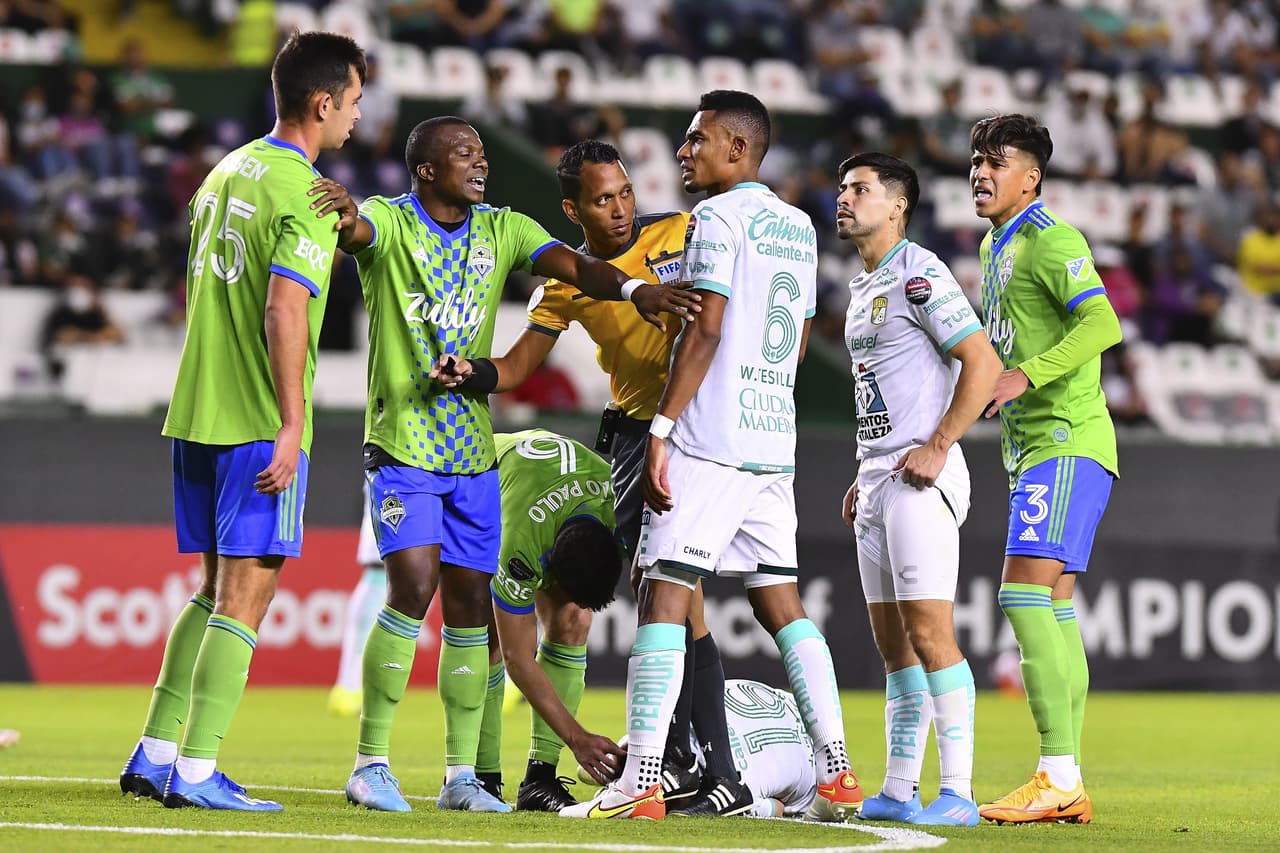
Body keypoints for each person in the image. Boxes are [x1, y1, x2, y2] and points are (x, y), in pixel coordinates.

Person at [308, 116, 699, 814]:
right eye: (465, 154)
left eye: (484, 153)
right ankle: (370, 762)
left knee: (467, 607)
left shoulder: (505, 228)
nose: (480, 163)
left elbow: (578, 268)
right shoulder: (392, 223)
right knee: (413, 583)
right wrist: (345, 216)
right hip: (402, 443)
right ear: (426, 169)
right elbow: (360, 233)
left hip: (473, 453)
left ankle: (465, 777)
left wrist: (636, 291)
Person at [561, 90, 862, 822]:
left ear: (737, 147)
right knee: (780, 602)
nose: (683, 151)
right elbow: (794, 337)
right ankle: (837, 769)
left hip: (710, 437)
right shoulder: (798, 225)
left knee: (664, 593)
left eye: (697, 139)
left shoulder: (715, 219)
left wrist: (663, 428)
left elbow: (706, 328)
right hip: (771, 440)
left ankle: (640, 782)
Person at [435, 138, 742, 815]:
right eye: (603, 200)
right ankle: (551, 770)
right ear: (574, 209)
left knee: (676, 592)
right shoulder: (566, 280)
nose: (621, 209)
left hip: (701, 424)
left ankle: (699, 760)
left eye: (626, 193)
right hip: (636, 436)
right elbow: (516, 367)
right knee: (615, 598)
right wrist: (474, 372)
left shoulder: (683, 232)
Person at [117, 31, 366, 811]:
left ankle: (154, 751)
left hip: (195, 410)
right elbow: (284, 307)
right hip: (258, 418)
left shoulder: (224, 173)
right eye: (354, 102)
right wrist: (293, 422)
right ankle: (197, 769)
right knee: (245, 598)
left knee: (209, 591)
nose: (358, 118)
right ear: (323, 103)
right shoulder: (307, 191)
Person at [834, 153, 1000, 826]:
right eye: (844, 188)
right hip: (877, 477)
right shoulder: (861, 283)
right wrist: (863, 470)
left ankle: (956, 790)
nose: (845, 198)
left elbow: (981, 361)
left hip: (920, 477)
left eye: (862, 189)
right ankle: (900, 787)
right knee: (892, 644)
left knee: (931, 633)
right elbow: (886, 387)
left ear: (897, 205)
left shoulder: (919, 271)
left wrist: (937, 446)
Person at [969, 113, 1122, 825]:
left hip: (1066, 437)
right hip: (1035, 447)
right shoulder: (992, 244)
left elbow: (1101, 323)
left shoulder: (1051, 238)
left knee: (1021, 595)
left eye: (996, 161)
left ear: (1030, 176)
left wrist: (1026, 375)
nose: (980, 171)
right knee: (1054, 603)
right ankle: (1067, 776)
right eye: (977, 159)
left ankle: (1057, 773)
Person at [473, 429, 625, 812]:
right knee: (489, 638)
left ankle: (539, 780)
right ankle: (482, 776)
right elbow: (517, 658)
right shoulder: (522, 541)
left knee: (575, 619)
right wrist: (577, 737)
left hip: (552, 487)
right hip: (480, 476)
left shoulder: (618, 507)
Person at [580, 679, 821, 818]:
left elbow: (775, 807)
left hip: (812, 763)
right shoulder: (681, 726)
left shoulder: (741, 785)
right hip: (788, 705)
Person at [328, 482, 387, 718]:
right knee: (381, 570)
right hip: (400, 463)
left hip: (464, 463)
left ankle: (500, 679)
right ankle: (350, 685)